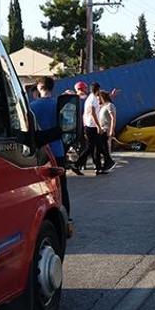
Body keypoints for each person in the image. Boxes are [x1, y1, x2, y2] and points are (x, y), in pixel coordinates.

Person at [29, 77, 72, 220]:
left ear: (40, 87)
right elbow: (67, 127)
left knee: (39, 187)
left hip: (39, 153)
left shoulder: (32, 107)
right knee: (61, 186)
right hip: (58, 150)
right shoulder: (59, 106)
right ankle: (66, 216)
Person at [75, 82, 103, 175]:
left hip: (90, 125)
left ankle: (98, 167)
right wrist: (98, 126)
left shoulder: (91, 98)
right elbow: (93, 113)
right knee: (91, 147)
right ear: (98, 90)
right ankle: (77, 164)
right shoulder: (92, 99)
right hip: (91, 126)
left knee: (97, 147)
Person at [97, 91, 117, 173]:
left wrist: (112, 130)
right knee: (102, 147)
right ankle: (107, 163)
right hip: (102, 130)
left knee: (106, 147)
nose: (98, 99)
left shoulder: (110, 106)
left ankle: (108, 164)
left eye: (99, 97)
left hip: (107, 130)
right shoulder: (103, 106)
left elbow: (113, 118)